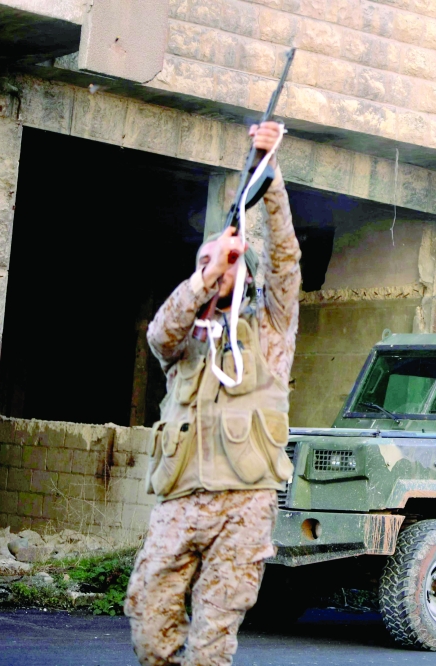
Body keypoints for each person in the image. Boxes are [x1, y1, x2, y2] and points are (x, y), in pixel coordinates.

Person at [124, 121, 301, 666]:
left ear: (241, 271)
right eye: (201, 264)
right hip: (180, 501)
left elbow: (286, 262)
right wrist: (207, 274)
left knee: (212, 641)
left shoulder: (267, 330)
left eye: (222, 264)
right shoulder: (182, 342)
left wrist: (269, 177)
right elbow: (161, 332)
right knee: (149, 622)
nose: (211, 270)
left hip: (244, 505)